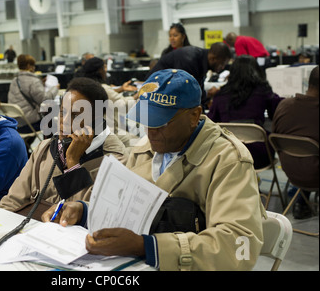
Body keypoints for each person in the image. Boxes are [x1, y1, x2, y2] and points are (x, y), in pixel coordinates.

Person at [42, 69, 265, 271]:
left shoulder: (228, 160)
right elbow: (122, 207)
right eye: (146, 120)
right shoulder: (144, 149)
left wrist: (148, 246)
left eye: (162, 123)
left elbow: (240, 246)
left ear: (194, 116)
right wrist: (84, 212)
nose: (151, 131)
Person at [0, 77, 128, 214]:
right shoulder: (45, 148)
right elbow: (12, 200)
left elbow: (97, 215)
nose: (64, 121)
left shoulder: (116, 159)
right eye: (62, 112)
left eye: (75, 115)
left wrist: (73, 163)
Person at [208, 55, 283, 169]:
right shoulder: (263, 91)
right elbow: (276, 113)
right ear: (257, 71)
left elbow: (211, 123)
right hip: (258, 157)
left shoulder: (221, 94)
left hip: (228, 155)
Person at [272, 66, 319, 219]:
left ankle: (301, 202)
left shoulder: (284, 105)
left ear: (308, 82)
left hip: (291, 171)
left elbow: (275, 139)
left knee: (307, 156)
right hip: (314, 175)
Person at [77, 57, 138, 146]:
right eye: (104, 67)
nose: (106, 70)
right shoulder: (102, 87)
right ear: (99, 70)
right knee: (139, 143)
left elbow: (108, 94)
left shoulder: (85, 85)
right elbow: (123, 105)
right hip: (108, 132)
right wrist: (137, 95)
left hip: (94, 131)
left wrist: (121, 89)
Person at [147, 42, 231, 106]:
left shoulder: (200, 60)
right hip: (152, 93)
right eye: (222, 63)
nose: (223, 67)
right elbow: (186, 93)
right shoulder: (191, 60)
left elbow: (198, 92)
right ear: (213, 58)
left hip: (161, 94)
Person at [8, 54, 59, 134]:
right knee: (54, 122)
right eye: (33, 65)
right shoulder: (33, 81)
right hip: (28, 124)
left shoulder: (15, 80)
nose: (34, 67)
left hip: (15, 123)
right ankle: (49, 145)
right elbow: (45, 99)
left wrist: (41, 84)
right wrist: (55, 88)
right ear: (29, 65)